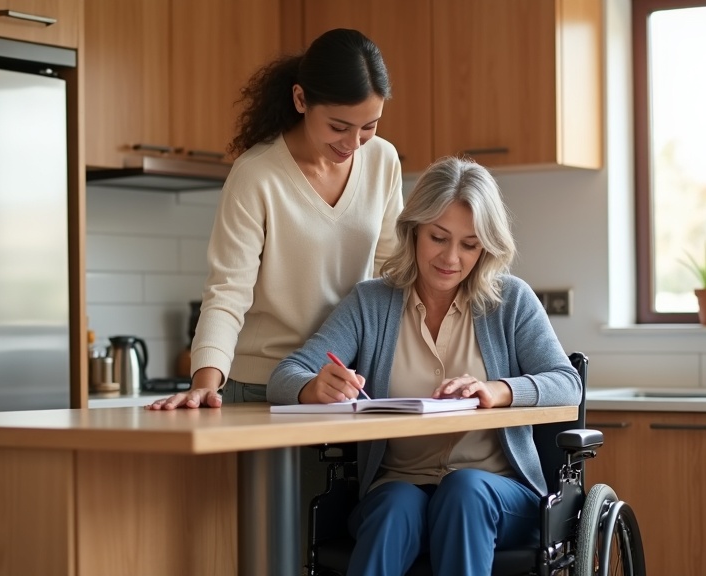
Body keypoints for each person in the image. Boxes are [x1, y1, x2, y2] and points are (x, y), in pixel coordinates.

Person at [267, 156, 582, 575]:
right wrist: (313, 388)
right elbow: (285, 376)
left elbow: (567, 383)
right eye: (438, 237)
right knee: (396, 505)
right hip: (396, 487)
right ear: (413, 230)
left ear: (485, 248)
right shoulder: (370, 303)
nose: (451, 257)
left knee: (464, 491)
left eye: (469, 244)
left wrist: (498, 390)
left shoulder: (512, 301)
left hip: (496, 492)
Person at [147, 28, 403, 410]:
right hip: (260, 387)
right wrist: (205, 382)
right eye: (338, 126)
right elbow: (228, 289)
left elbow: (390, 274)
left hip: (344, 383)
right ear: (301, 99)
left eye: (368, 126)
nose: (353, 144)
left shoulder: (382, 160)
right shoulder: (257, 174)